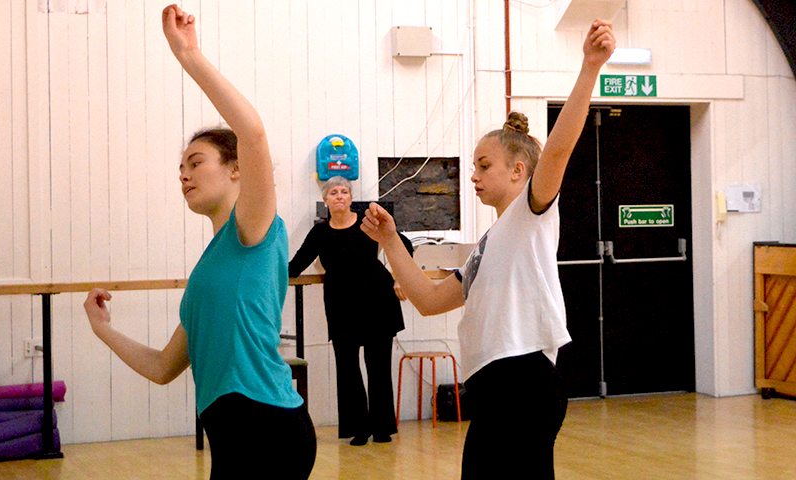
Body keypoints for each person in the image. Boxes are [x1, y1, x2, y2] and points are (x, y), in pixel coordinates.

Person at [360, 20, 615, 479]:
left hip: (523, 380)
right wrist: (390, 241)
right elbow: (431, 300)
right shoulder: (488, 245)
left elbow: (557, 152)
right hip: (495, 386)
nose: (473, 176)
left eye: (483, 165)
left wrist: (589, 68)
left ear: (519, 171)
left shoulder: (531, 214)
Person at [83, 5, 316, 479]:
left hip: (268, 427)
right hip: (230, 435)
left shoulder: (254, 229)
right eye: (181, 169)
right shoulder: (206, 275)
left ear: (236, 170)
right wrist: (102, 329)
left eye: (196, 161)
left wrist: (189, 56)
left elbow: (252, 133)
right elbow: (164, 366)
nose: (185, 175)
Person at [288, 176, 412, 446]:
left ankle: (381, 429)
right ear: (326, 201)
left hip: (377, 301)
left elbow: (403, 245)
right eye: (334, 192)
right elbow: (295, 264)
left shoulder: (368, 223)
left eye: (345, 192)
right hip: (341, 306)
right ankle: (359, 429)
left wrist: (401, 277)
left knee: (378, 368)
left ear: (351, 198)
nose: (340, 196)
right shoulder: (320, 232)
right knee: (347, 369)